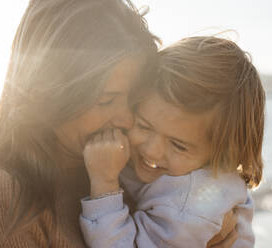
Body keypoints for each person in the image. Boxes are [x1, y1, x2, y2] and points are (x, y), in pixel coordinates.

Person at [0, 0, 235, 247]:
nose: (125, 119)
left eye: (133, 99)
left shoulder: (124, 174)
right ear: (48, 92)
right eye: (106, 100)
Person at [79, 36, 265, 247]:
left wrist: (104, 183)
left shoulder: (190, 209)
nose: (152, 151)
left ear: (220, 156)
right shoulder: (180, 166)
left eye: (178, 145)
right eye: (144, 126)